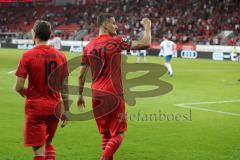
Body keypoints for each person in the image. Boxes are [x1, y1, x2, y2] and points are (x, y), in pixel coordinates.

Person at [77, 13, 151, 160]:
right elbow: (145, 43)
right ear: (105, 25)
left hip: (96, 94)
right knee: (118, 134)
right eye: (114, 23)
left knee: (105, 134)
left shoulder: (88, 47)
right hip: (113, 93)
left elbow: (81, 76)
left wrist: (79, 96)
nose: (117, 26)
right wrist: (148, 26)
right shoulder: (116, 41)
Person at [15, 20, 69, 160]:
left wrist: (28, 93)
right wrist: (67, 110)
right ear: (50, 35)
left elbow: (18, 87)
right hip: (55, 108)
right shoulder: (61, 56)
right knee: (48, 142)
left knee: (39, 151)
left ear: (34, 34)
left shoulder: (27, 56)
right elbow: (64, 87)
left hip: (36, 109)